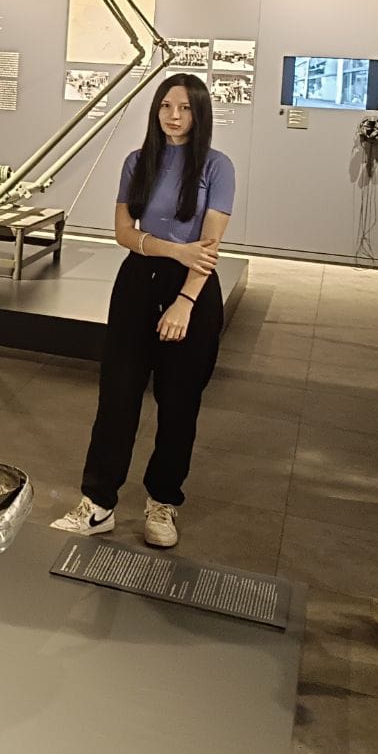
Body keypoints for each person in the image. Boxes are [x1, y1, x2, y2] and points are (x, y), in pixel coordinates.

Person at [52, 73, 235, 548]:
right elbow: (122, 233)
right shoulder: (138, 161)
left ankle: (163, 502)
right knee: (117, 397)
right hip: (138, 282)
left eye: (185, 108)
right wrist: (173, 249)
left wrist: (184, 303)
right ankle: (98, 503)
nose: (174, 116)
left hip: (192, 292)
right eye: (166, 106)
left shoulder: (217, 167)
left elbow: (208, 250)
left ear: (199, 113)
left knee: (179, 404)